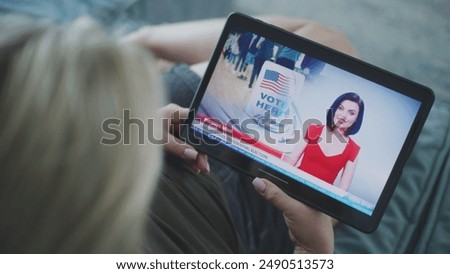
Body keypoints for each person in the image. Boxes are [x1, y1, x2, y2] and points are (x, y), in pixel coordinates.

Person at [0, 14, 345, 254]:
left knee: (323, 41)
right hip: (224, 218)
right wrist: (311, 253)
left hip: (133, 132)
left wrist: (128, 127)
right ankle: (141, 45)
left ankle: (138, 45)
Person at [283, 92, 365, 191]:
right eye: (341, 108)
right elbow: (290, 162)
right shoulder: (312, 129)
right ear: (334, 109)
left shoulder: (353, 150)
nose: (343, 115)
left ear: (357, 119)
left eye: (351, 113)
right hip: (292, 186)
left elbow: (342, 189)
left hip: (320, 199)